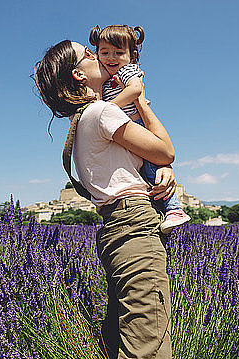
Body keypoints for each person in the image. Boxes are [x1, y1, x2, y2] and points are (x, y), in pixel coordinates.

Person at [33, 40, 174, 359]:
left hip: (115, 228)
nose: (100, 56)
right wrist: (138, 98)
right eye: (90, 54)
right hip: (134, 224)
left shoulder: (80, 123)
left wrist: (162, 173)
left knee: (122, 337)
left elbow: (139, 164)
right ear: (80, 74)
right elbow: (165, 150)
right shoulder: (100, 113)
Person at [89, 24, 190, 234]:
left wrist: (108, 110)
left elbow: (135, 90)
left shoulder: (128, 71)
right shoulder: (107, 79)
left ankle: (174, 209)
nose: (111, 57)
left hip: (138, 125)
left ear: (132, 56)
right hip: (124, 130)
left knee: (153, 169)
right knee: (144, 172)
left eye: (119, 52)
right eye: (104, 52)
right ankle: (162, 213)